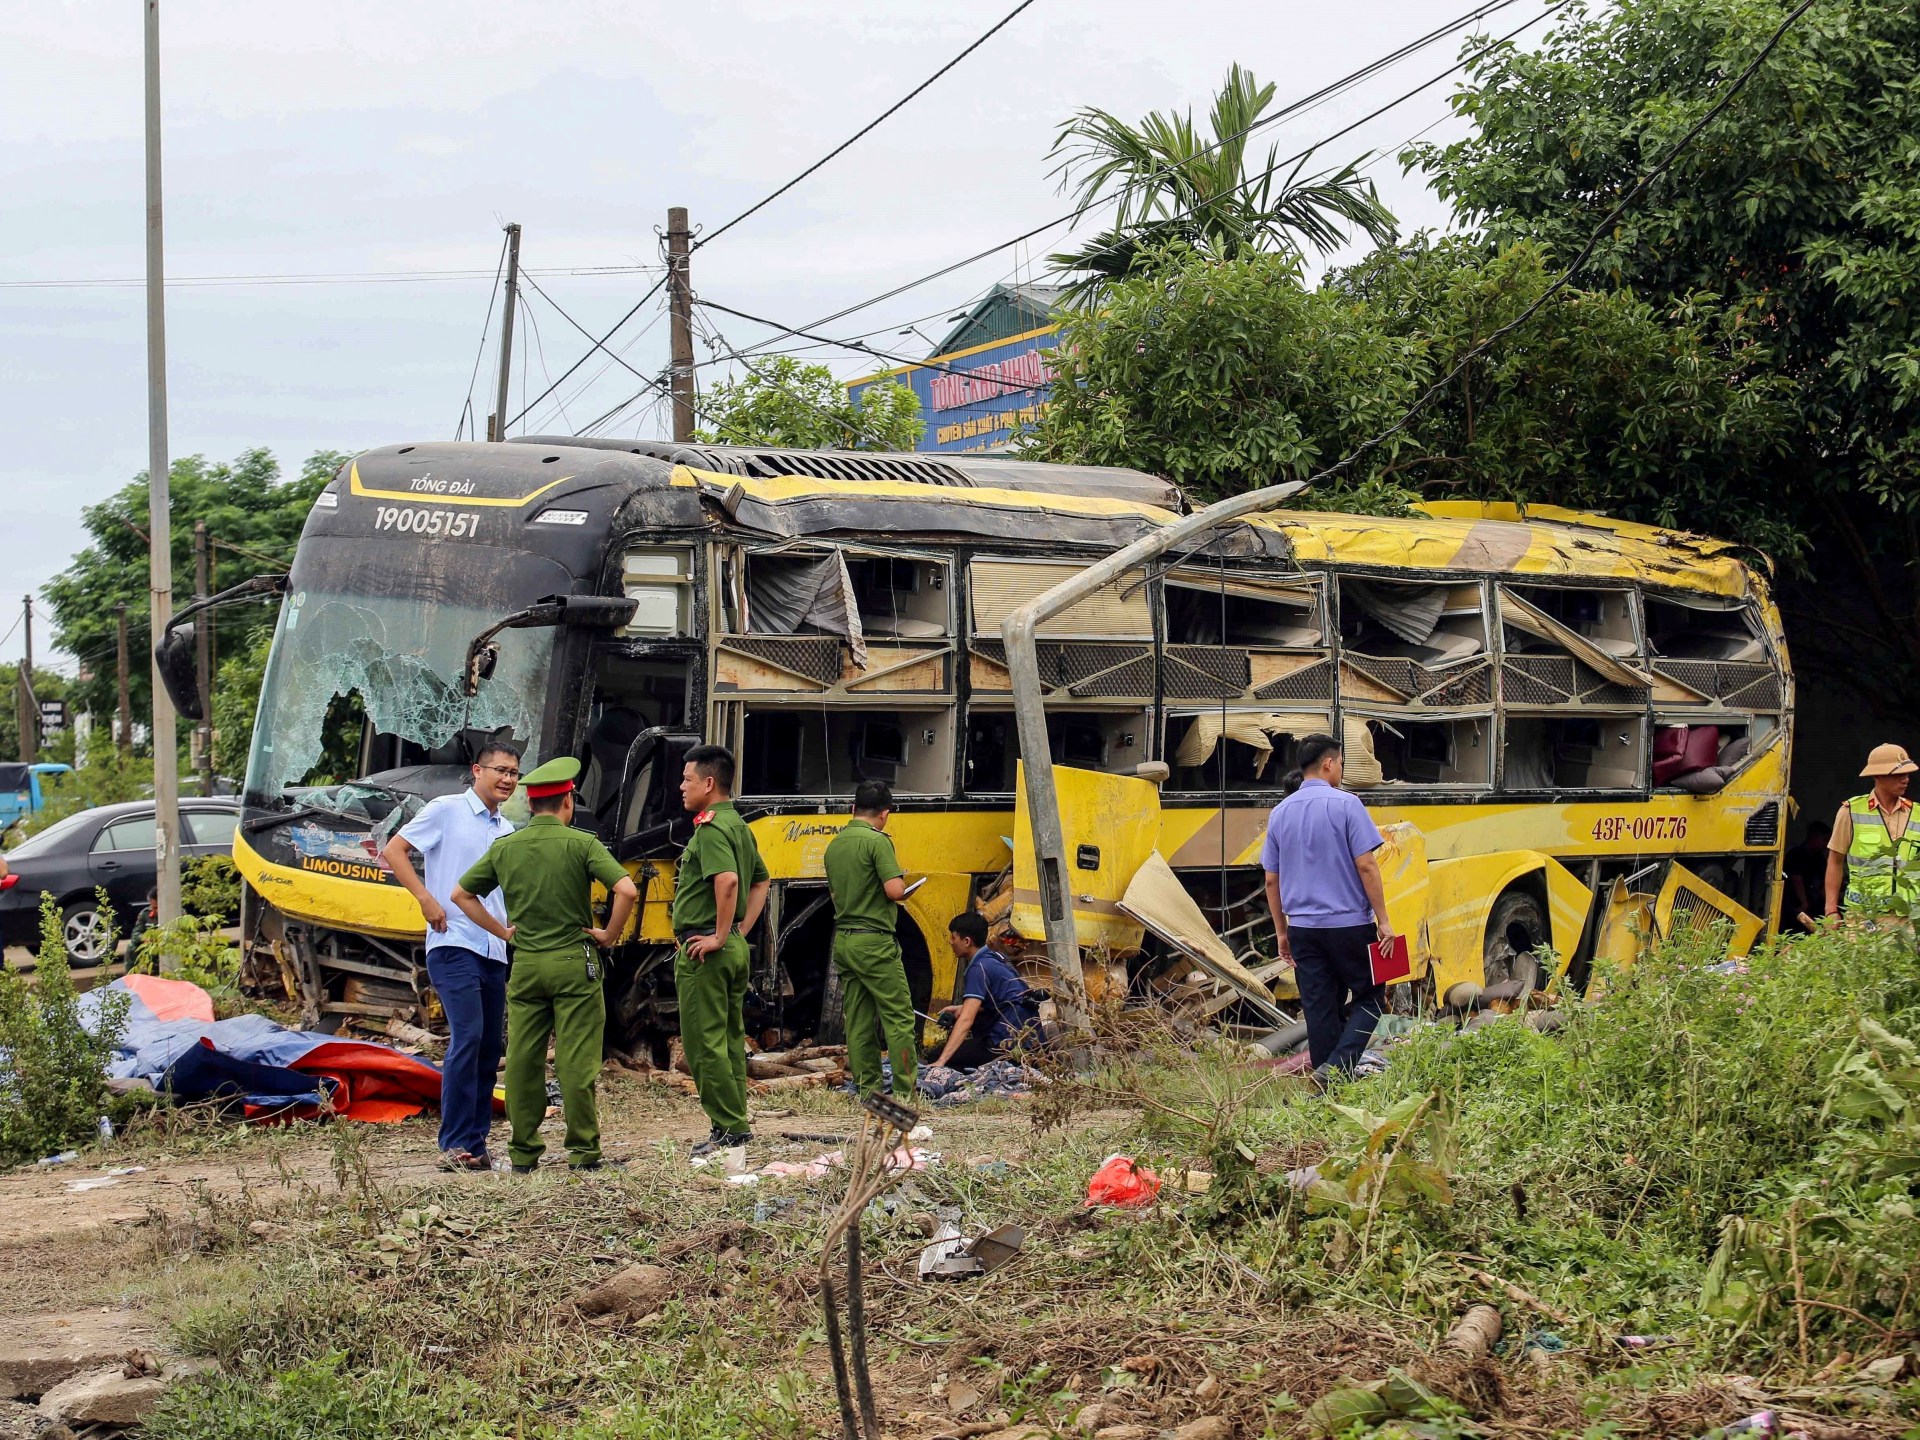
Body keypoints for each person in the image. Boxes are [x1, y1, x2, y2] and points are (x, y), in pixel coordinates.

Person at [451, 756, 637, 1173]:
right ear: (568, 801)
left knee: (522, 1060)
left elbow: (461, 895)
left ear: (531, 805)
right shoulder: (583, 844)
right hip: (574, 965)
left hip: (527, 967)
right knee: (575, 1061)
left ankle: (523, 1153)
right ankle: (583, 1152)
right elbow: (626, 890)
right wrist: (608, 934)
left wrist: (503, 933)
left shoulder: (506, 846)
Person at [380, 739, 521, 1170]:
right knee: (468, 1036)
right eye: (500, 770)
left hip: (494, 946)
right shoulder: (446, 809)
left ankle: (476, 1144)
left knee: (490, 1046)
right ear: (477, 771)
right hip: (452, 941)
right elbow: (394, 851)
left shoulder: (507, 831)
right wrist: (426, 899)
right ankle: (455, 1143)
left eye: (514, 773)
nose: (507, 779)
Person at [1260, 733, 1396, 1079]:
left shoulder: (1279, 813)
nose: (1341, 770)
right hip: (1350, 926)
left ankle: (1329, 1084)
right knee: (1371, 997)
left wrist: (1282, 932)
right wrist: (1384, 921)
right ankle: (1335, 1068)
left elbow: (1271, 881)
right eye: (1341, 764)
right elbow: (1367, 866)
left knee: (1320, 1009)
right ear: (1328, 764)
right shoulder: (1347, 804)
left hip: (1303, 930)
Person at [669, 744, 769, 1159]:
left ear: (709, 783)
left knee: (703, 1043)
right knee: (728, 1039)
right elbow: (761, 880)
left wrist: (719, 935)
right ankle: (734, 1122)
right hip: (731, 949)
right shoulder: (739, 825)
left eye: (687, 779)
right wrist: (739, 931)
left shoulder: (710, 829)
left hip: (705, 951)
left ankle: (728, 1129)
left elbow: (728, 881)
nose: (681, 787)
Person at [824, 781, 918, 1103]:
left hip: (844, 941)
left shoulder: (835, 845)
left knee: (858, 1020)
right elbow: (894, 891)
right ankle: (904, 1094)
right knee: (898, 1017)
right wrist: (903, 884)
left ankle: (868, 1092)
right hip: (874, 942)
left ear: (853, 809)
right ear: (885, 814)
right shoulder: (878, 842)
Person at [930, 910, 1039, 1071]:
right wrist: (961, 1008)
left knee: (935, 1056)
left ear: (967, 941)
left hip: (1007, 1044)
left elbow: (966, 1020)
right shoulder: (995, 958)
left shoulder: (978, 968)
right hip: (1032, 1042)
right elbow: (1002, 1000)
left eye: (953, 937)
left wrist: (941, 1060)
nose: (950, 942)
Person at [1826, 743, 1919, 923]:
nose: (1906, 779)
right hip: (1863, 919)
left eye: (1907, 774)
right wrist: (1831, 910)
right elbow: (1835, 861)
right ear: (1877, 775)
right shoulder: (1851, 812)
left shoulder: (1917, 814)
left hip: (1908, 922)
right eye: (1898, 774)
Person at [1782, 820, 1832, 932]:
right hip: (1794, 904)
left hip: (1812, 902)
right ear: (1813, 837)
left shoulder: (1819, 858)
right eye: (1824, 840)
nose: (1826, 844)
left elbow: (1823, 883)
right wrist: (1804, 903)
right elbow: (1797, 880)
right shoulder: (1796, 854)